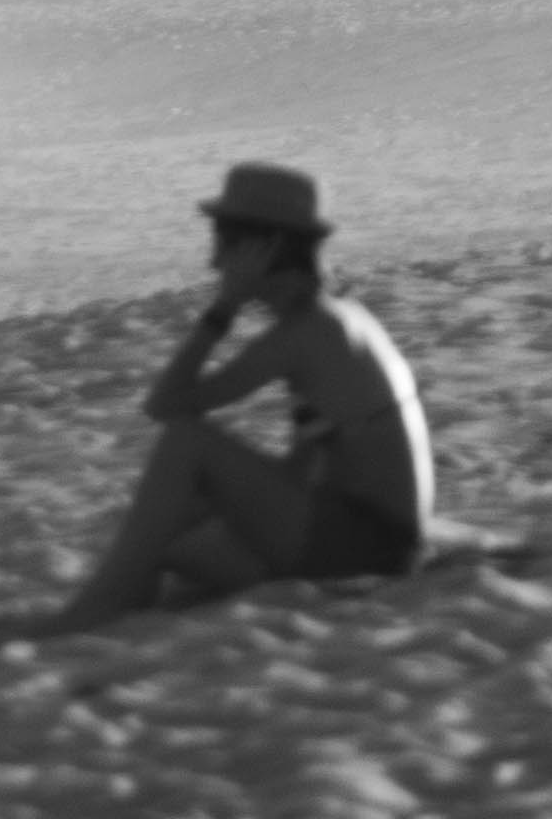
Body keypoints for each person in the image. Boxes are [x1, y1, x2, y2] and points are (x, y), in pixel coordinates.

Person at [36, 162, 435, 632]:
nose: (214, 263)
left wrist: (223, 309)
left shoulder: (307, 331)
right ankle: (126, 602)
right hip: (376, 543)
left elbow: (165, 406)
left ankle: (97, 609)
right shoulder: (336, 317)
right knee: (167, 532)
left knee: (187, 442)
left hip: (366, 550)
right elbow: (313, 462)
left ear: (262, 248)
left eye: (224, 243)